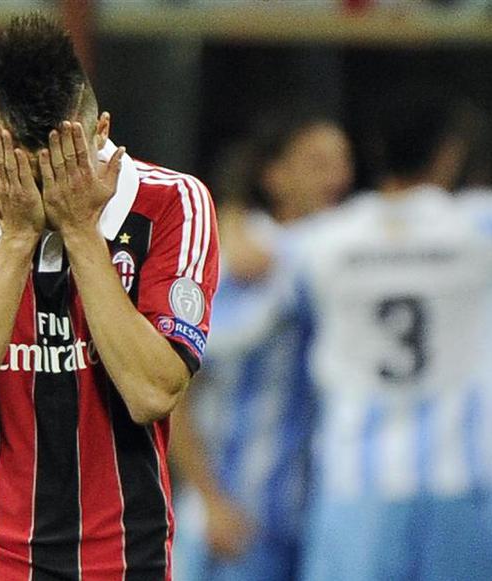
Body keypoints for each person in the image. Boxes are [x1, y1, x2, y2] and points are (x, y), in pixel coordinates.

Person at [0, 14, 220, 579]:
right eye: (26, 173)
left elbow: (151, 392)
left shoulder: (173, 203)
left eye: (64, 167)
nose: (44, 194)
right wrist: (18, 239)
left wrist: (80, 230)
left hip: (123, 561)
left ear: (101, 133)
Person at [294, 95, 492, 581]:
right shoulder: (486, 226)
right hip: (463, 480)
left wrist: (234, 214)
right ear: (449, 153)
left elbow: (242, 262)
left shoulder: (320, 240)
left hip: (354, 485)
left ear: (375, 151)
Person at [171, 115, 353, 581]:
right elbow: (174, 393)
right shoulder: (233, 263)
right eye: (317, 163)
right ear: (273, 175)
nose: (337, 177)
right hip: (240, 519)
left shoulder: (345, 256)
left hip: (324, 517)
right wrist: (210, 500)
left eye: (343, 162)